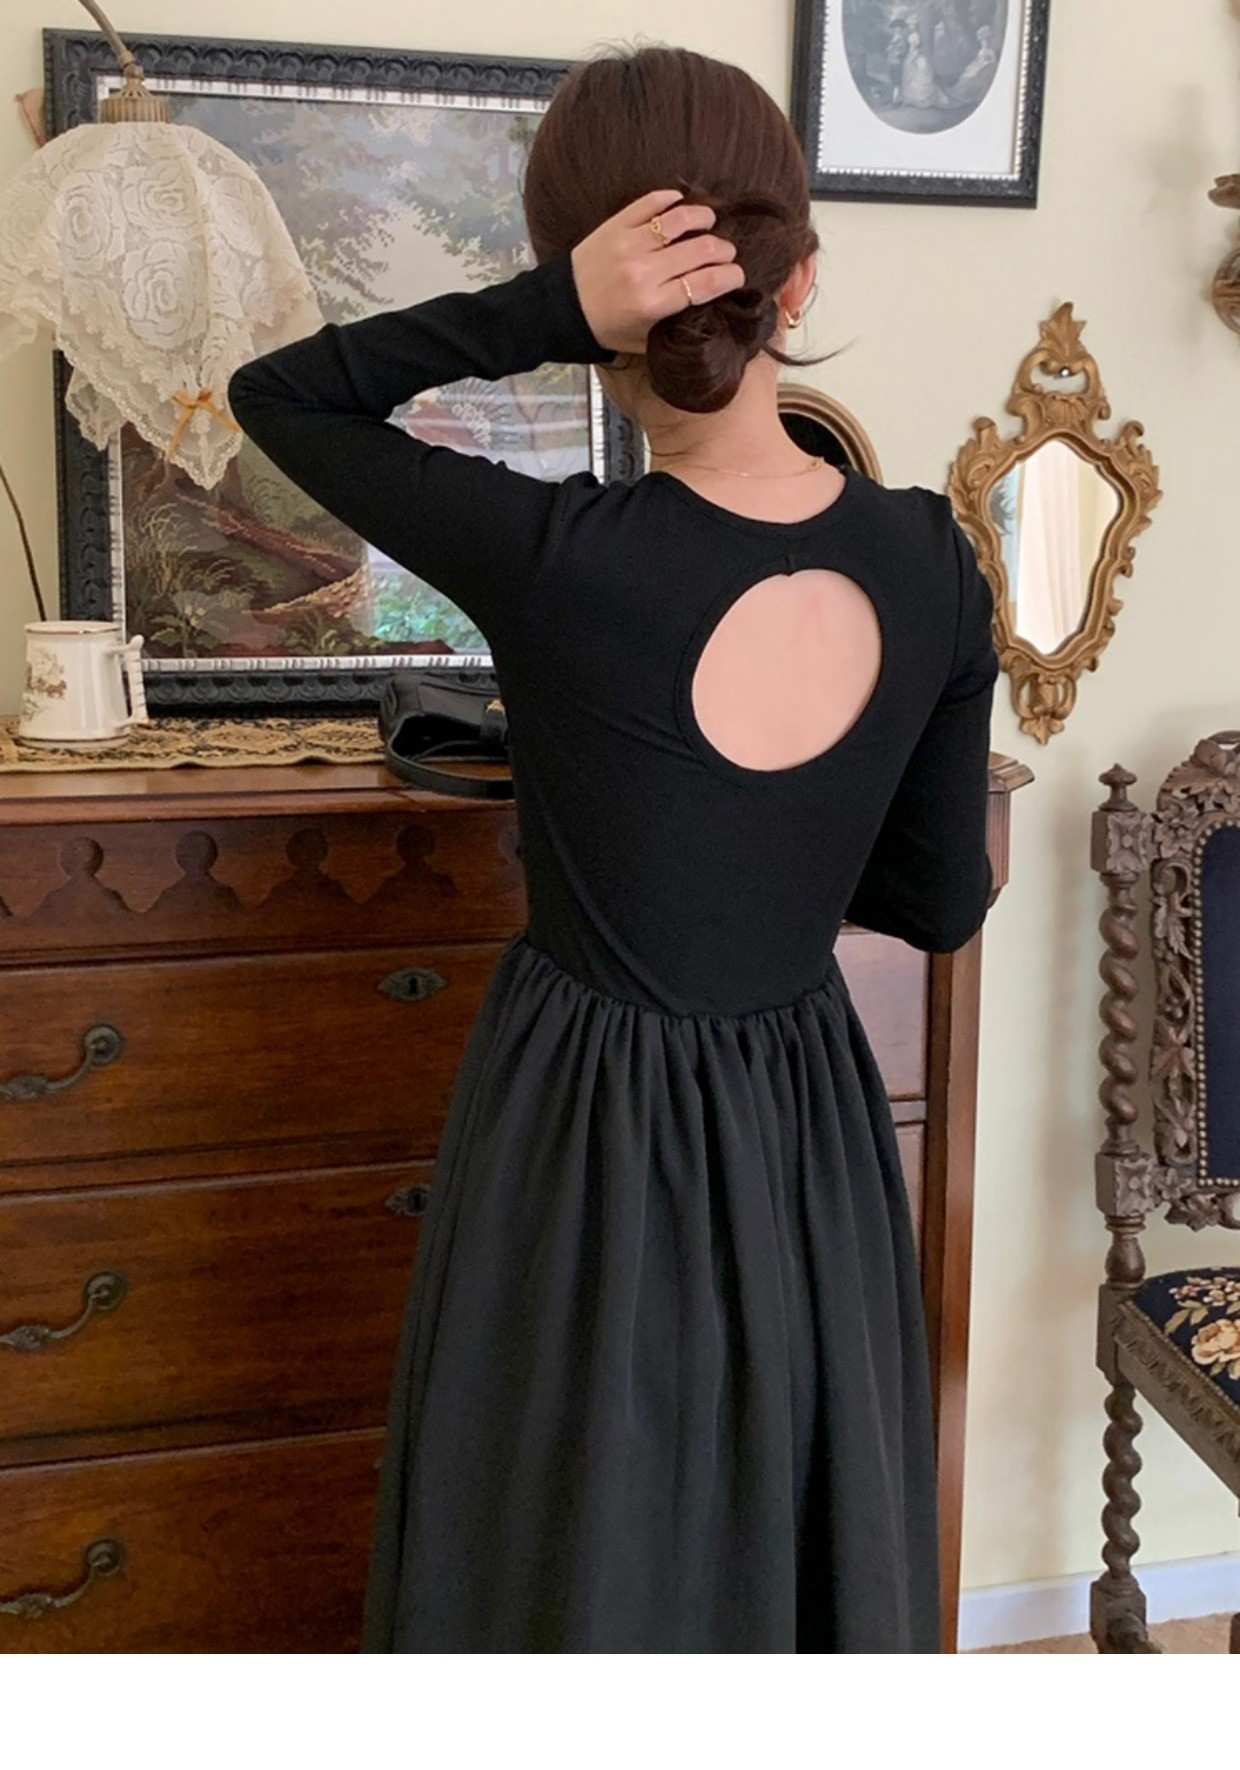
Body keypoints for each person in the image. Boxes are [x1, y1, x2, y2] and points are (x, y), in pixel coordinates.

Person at [228, 42, 999, 1653]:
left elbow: (281, 394)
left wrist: (544, 310)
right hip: (804, 1125)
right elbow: (935, 902)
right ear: (799, 281)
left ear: (594, 295)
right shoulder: (932, 561)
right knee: (789, 1541)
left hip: (586, 1130)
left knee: (572, 1553)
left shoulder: (558, 556)